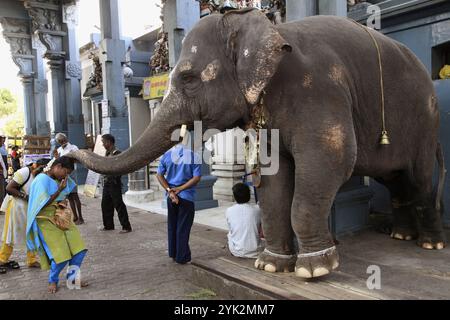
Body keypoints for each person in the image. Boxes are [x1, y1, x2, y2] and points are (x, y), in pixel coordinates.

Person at [26, 156, 88, 294]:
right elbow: (42, 204)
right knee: (60, 255)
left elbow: (65, 195)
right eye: (65, 172)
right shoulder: (41, 180)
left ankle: (72, 279)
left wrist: (63, 200)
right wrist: (59, 190)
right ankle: (52, 280)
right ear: (57, 166)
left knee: (79, 249)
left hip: (61, 217)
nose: (66, 175)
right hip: (45, 220)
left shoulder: (58, 179)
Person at [0, 158, 50, 274]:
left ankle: (31, 260)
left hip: (29, 208)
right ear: (35, 165)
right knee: (10, 234)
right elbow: (9, 188)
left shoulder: (42, 176)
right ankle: (2, 259)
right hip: (16, 207)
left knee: (31, 232)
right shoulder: (24, 172)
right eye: (40, 169)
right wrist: (26, 197)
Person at [156, 142, 202, 264]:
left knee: (172, 226)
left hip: (171, 197)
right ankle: (182, 257)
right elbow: (196, 178)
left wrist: (169, 190)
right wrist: (180, 189)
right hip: (186, 197)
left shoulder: (166, 155)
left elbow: (159, 175)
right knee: (183, 228)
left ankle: (173, 253)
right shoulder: (193, 156)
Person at [100, 134, 132, 233]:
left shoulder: (117, 153)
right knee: (105, 204)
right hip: (107, 183)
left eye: (103, 142)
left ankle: (126, 227)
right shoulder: (107, 153)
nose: (103, 144)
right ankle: (108, 225)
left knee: (118, 204)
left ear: (109, 142)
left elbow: (119, 168)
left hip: (114, 183)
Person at [225, 183, 263, 259]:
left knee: (230, 232)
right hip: (256, 251)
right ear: (249, 196)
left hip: (236, 251)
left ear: (235, 197)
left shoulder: (229, 210)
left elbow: (231, 230)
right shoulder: (258, 209)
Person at [55, 133, 84, 225]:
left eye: (63, 140)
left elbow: (79, 159)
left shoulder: (73, 148)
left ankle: (81, 217)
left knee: (75, 196)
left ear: (66, 139)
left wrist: (69, 157)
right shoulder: (59, 150)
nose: (62, 142)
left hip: (71, 174)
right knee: (69, 197)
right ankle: (75, 216)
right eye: (60, 141)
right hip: (63, 175)